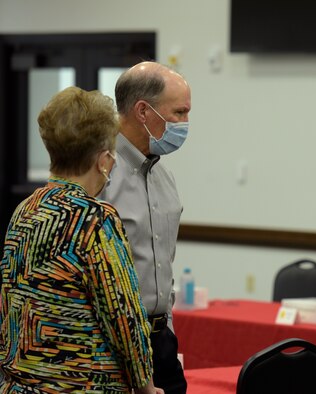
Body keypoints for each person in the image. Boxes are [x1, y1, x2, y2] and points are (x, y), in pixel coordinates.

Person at [0, 87, 161, 393]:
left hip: (20, 384)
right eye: (112, 154)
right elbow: (123, 316)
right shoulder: (94, 220)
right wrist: (147, 387)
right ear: (103, 159)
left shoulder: (26, 209)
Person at [99, 61, 191, 394]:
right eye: (179, 113)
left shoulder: (165, 177)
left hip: (161, 341)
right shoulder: (100, 174)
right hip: (111, 344)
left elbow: (165, 265)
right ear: (143, 111)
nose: (185, 124)